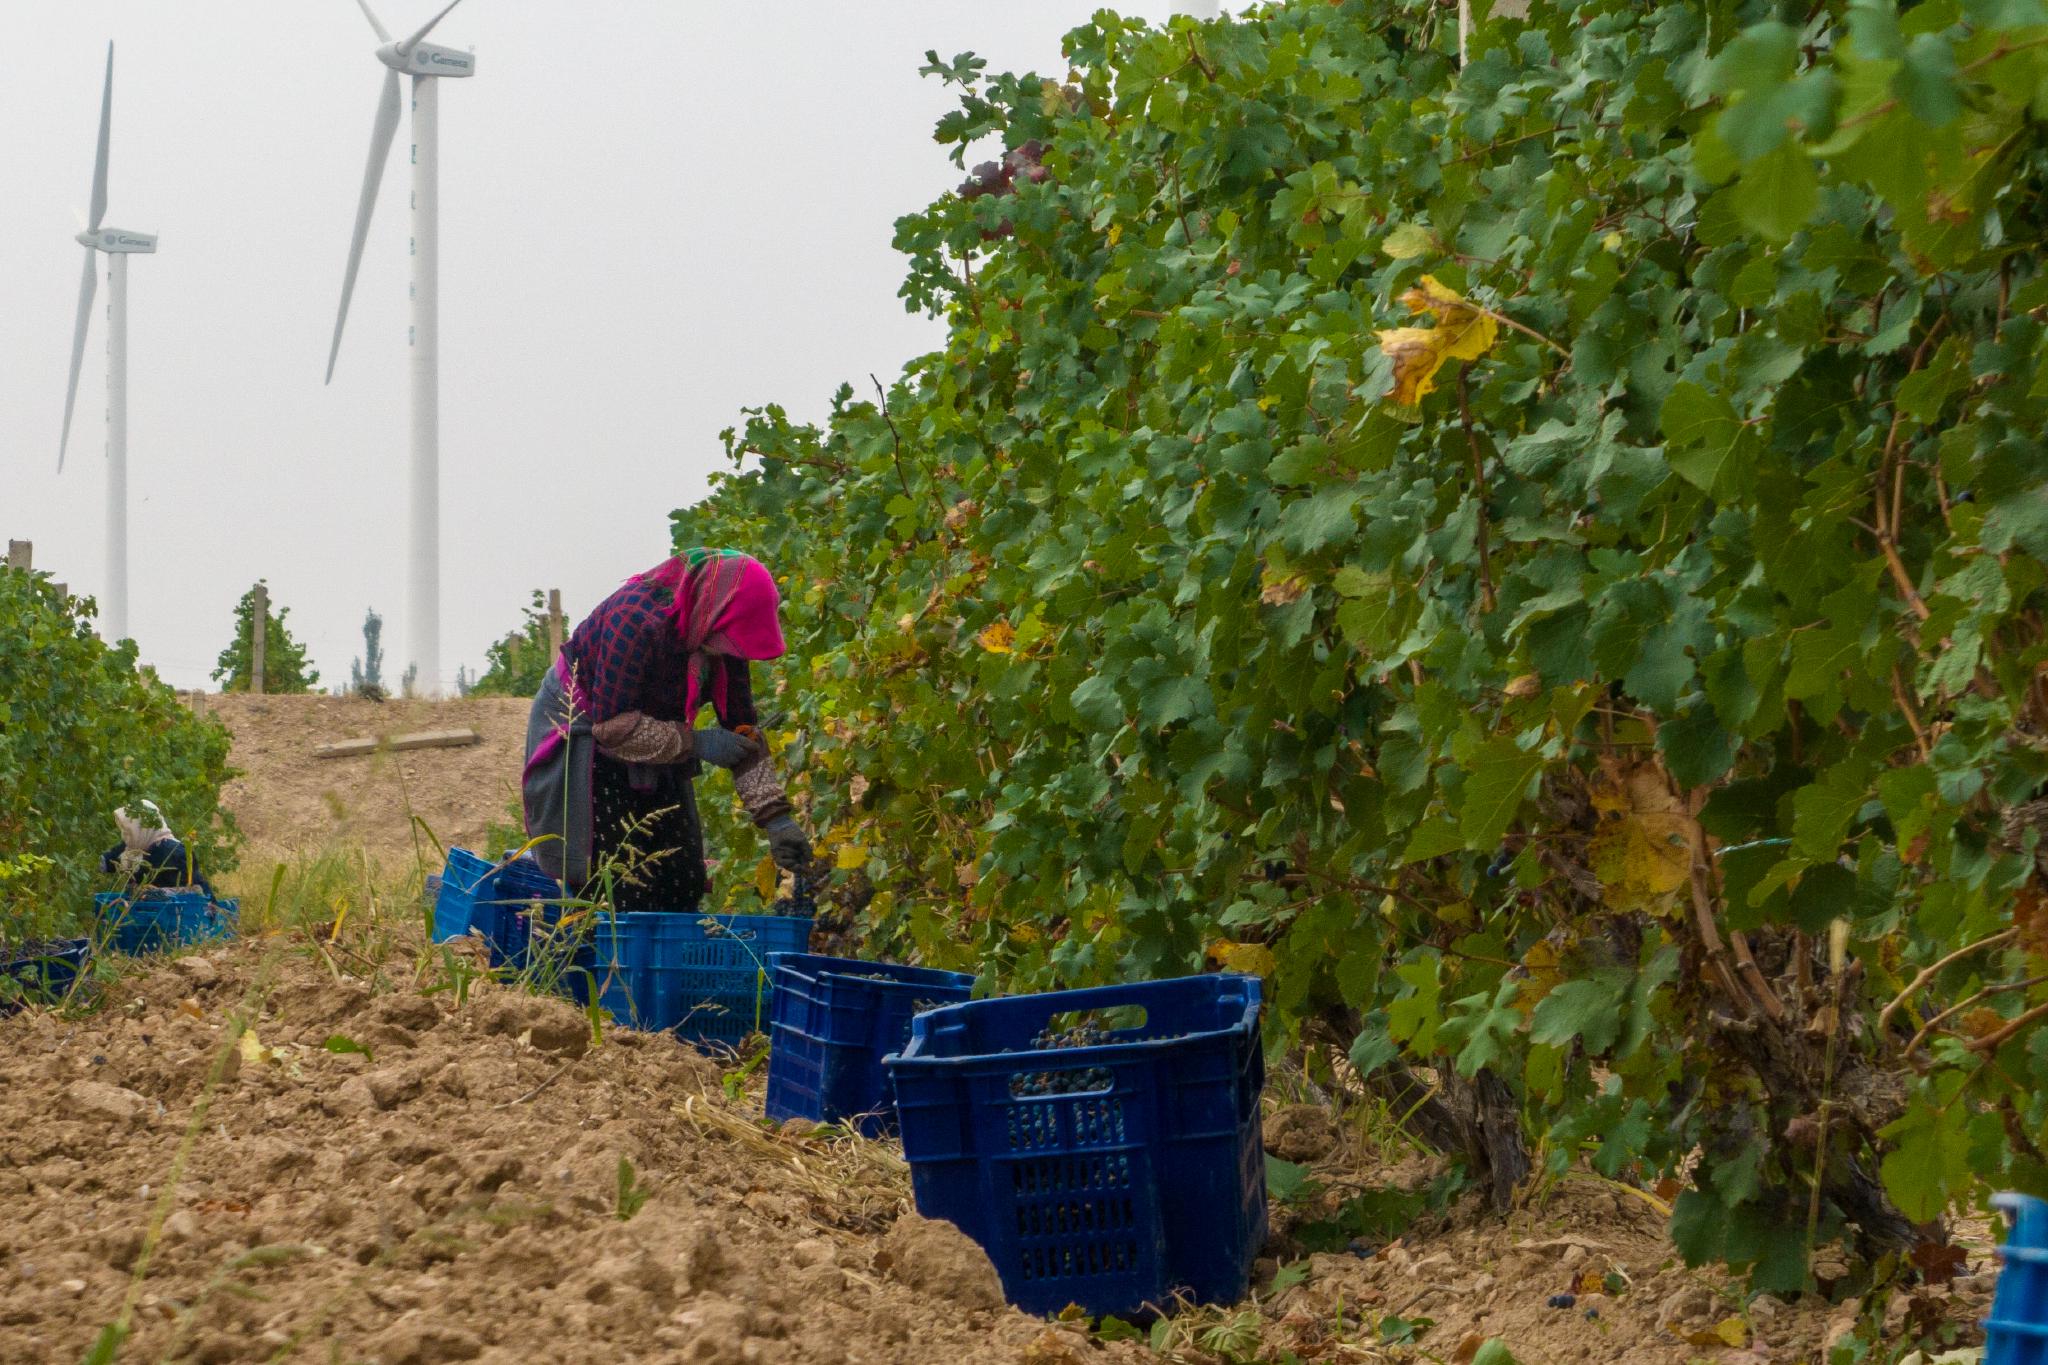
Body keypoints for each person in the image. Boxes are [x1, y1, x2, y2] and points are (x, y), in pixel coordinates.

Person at [522, 548, 813, 910]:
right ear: (712, 611)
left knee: (681, 876)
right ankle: (599, 955)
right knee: (613, 878)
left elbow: (743, 731)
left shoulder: (722, 643)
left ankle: (663, 954)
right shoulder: (634, 620)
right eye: (724, 645)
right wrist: (696, 742)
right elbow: (612, 730)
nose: (726, 655)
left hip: (655, 728)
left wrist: (776, 819)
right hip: (587, 723)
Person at [101, 801, 215, 897]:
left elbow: (192, 893)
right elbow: (108, 861)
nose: (125, 836)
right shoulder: (133, 847)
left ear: (142, 829)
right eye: (124, 831)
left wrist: (155, 893)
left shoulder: (174, 852)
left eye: (128, 831)